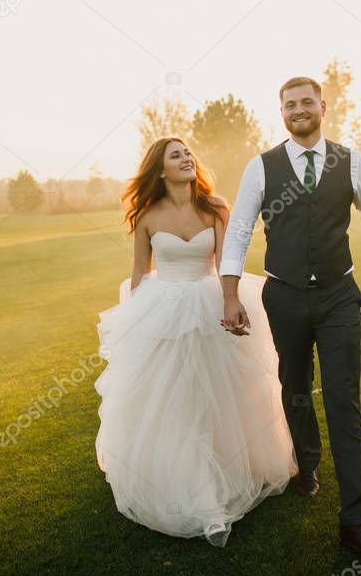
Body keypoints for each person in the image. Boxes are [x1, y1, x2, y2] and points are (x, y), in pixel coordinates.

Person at [219, 76, 361, 554]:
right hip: (285, 297)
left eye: (306, 102)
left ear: (323, 106)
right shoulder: (262, 167)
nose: (298, 110)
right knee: (294, 387)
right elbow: (241, 230)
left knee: (343, 398)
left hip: (337, 297)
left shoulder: (348, 160)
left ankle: (355, 519)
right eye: (290, 104)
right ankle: (306, 462)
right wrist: (230, 294)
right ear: (282, 112)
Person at [94, 137, 297, 548]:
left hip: (209, 306)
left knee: (221, 396)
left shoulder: (215, 207)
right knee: (178, 402)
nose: (186, 158)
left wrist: (232, 302)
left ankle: (231, 470)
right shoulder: (148, 216)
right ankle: (203, 499)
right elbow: (138, 273)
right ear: (161, 170)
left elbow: (227, 263)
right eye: (176, 155)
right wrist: (135, 323)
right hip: (163, 312)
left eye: (188, 153)